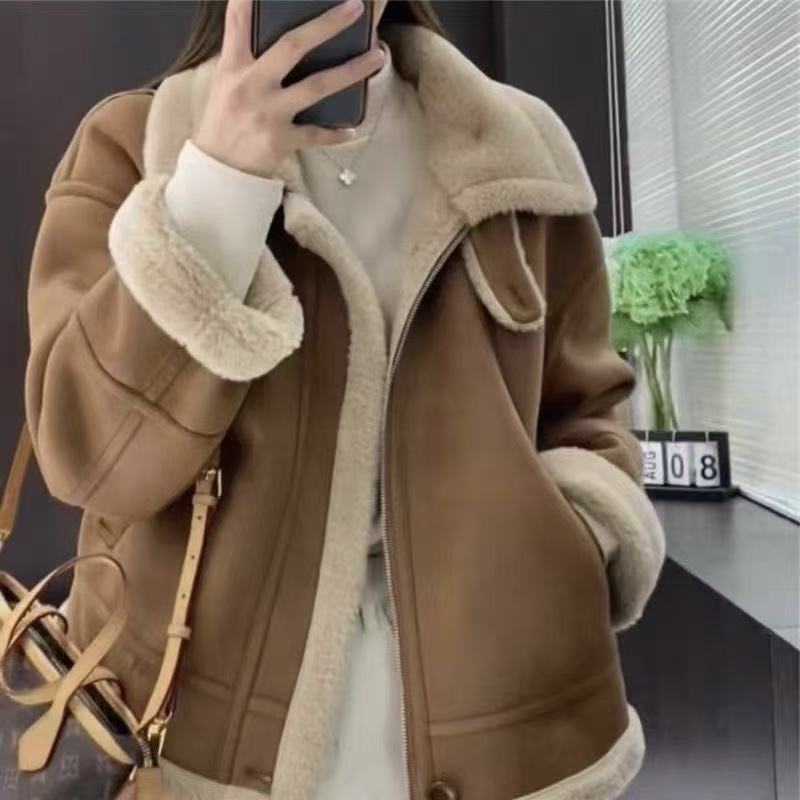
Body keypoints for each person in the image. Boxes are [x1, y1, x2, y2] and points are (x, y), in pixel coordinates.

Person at [24, 0, 666, 798]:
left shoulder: (515, 147)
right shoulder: (133, 143)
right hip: (195, 745)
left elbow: (589, 407)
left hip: (509, 724)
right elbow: (86, 457)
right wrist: (216, 187)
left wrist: (578, 544)